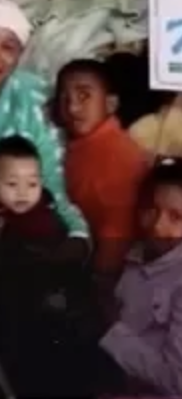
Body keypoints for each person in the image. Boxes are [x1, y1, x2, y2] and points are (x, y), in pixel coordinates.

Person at [0, 135, 92, 397]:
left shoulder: (44, 220)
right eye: (12, 184)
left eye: (32, 184)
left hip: (34, 310)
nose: (23, 193)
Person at [0, 0, 89, 245]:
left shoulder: (37, 100)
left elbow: (52, 188)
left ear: (19, 56)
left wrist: (77, 238)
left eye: (8, 47)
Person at [95, 158, 182, 397]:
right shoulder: (137, 254)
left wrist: (111, 328)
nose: (158, 226)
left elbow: (177, 382)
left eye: (176, 217)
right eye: (151, 210)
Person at [56, 59, 149, 279]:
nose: (72, 108)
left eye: (84, 95)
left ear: (110, 104)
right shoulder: (77, 143)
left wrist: (100, 282)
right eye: (64, 98)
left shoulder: (117, 154)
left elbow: (117, 233)